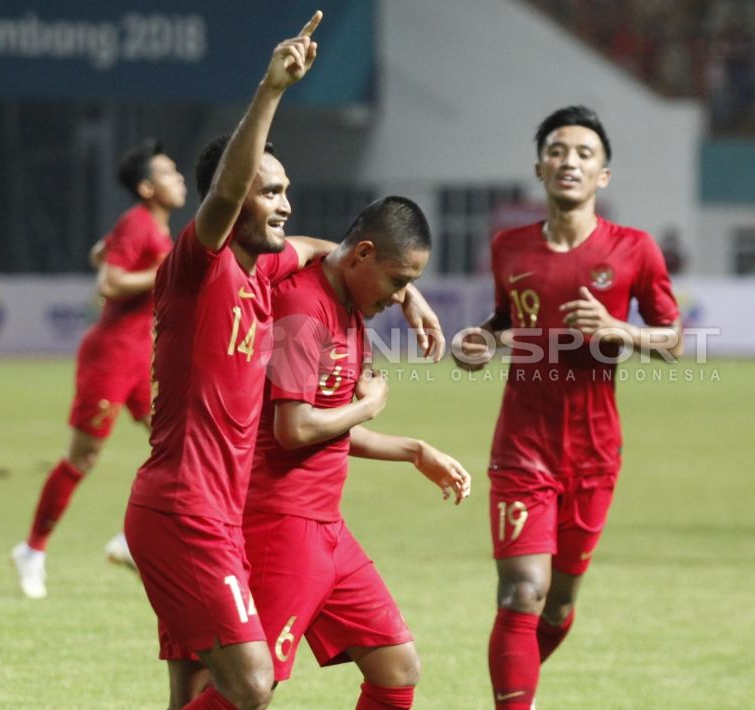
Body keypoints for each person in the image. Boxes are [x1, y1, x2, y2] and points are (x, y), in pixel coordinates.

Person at [122, 14, 441, 710]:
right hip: (185, 509)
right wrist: (270, 91)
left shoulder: (264, 274)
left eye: (286, 189)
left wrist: (407, 291)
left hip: (219, 513)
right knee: (253, 685)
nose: (283, 204)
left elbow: (326, 249)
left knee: (197, 694)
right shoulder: (197, 266)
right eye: (270, 191)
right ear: (229, 202)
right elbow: (231, 196)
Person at [453, 105, 683, 709]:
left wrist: (620, 330)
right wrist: (481, 340)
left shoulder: (635, 249)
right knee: (520, 593)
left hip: (594, 452)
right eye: (558, 151)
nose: (570, 161)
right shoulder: (509, 247)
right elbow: (509, 322)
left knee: (556, 604)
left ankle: (516, 682)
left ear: (603, 176)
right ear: (539, 167)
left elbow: (675, 341)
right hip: (522, 448)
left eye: (584, 154)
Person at [243, 196, 472, 710]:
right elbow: (294, 429)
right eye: (397, 281)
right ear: (363, 254)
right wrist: (369, 407)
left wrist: (413, 451)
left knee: (397, 667)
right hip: (280, 523)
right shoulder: (302, 309)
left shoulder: (348, 303)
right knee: (248, 691)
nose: (398, 296)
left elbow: (324, 427)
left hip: (325, 526)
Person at [11, 139, 186, 600]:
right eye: (169, 173)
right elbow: (109, 283)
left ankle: (132, 541)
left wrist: (126, 256)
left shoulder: (152, 228)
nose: (180, 178)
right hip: (111, 355)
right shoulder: (140, 224)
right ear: (148, 187)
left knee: (179, 446)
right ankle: (32, 550)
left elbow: (101, 256)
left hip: (140, 358)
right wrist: (168, 269)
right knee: (83, 458)